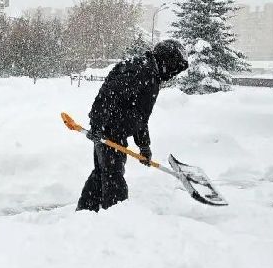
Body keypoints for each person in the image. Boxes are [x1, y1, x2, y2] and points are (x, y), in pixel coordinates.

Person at [77, 39, 189, 212]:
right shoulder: (140, 71)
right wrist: (97, 125)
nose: (174, 74)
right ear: (167, 60)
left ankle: (86, 211)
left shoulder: (150, 73)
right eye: (175, 67)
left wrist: (144, 146)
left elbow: (139, 115)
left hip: (114, 130)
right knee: (113, 175)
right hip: (109, 131)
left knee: (103, 172)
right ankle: (118, 216)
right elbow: (108, 95)